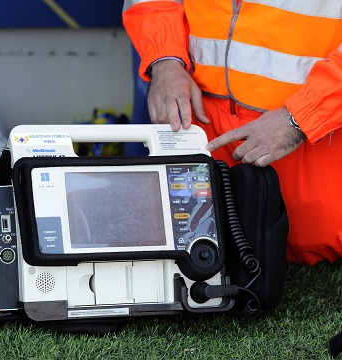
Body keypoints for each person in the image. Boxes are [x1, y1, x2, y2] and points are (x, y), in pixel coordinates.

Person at [122, 0, 342, 265]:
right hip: (202, 128)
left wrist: (301, 117)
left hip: (319, 139)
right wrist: (165, 61)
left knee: (312, 241)